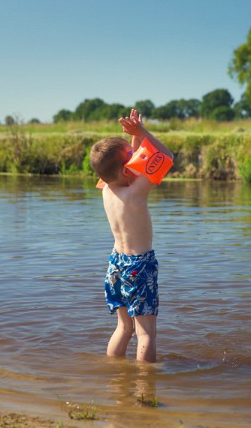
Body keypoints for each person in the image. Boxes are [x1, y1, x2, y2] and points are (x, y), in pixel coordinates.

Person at [89, 109, 173, 362]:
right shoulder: (136, 192)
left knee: (125, 328)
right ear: (128, 170)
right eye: (132, 156)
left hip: (116, 264)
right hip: (139, 265)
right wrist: (142, 132)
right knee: (146, 334)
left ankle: (115, 377)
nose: (138, 155)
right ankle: (145, 391)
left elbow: (130, 165)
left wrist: (133, 137)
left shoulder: (106, 188)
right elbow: (166, 157)